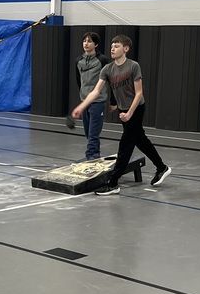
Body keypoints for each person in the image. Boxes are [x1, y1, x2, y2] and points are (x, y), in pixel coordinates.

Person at [71, 34, 171, 196]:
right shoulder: (107, 69)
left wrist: (130, 113)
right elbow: (96, 91)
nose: (112, 48)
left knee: (125, 145)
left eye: (116, 46)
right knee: (141, 141)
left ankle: (113, 183)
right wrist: (81, 107)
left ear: (126, 49)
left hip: (136, 108)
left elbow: (139, 93)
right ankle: (162, 167)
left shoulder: (133, 66)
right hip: (124, 110)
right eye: (112, 45)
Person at [75, 31, 108, 160]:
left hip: (98, 101)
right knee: (88, 132)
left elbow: (109, 80)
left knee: (94, 132)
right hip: (85, 101)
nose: (86, 44)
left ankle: (90, 156)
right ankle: (96, 154)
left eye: (89, 41)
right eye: (84, 41)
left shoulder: (103, 60)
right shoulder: (78, 61)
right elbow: (79, 80)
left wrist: (113, 102)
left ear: (96, 44)